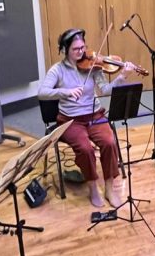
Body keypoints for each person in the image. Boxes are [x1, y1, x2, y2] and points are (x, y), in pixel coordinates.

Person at [39, 28, 137, 209]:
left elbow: (105, 90)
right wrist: (66, 92)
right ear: (65, 49)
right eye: (76, 49)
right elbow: (42, 93)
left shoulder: (93, 65)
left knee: (109, 142)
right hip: (70, 120)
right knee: (85, 149)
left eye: (83, 47)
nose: (81, 52)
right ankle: (92, 188)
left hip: (94, 114)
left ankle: (109, 188)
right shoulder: (57, 70)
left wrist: (122, 76)